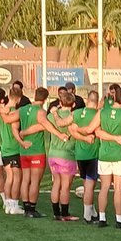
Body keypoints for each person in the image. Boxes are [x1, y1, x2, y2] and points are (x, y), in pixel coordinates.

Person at [92, 86, 121, 229]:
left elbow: (94, 130)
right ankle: (119, 220)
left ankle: (102, 218)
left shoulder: (102, 111)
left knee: (104, 187)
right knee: (118, 189)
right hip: (120, 155)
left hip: (104, 154)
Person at [18, 86, 64, 218]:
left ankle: (26, 207)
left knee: (25, 179)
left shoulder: (23, 109)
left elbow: (10, 119)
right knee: (35, 181)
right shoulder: (41, 111)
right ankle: (32, 209)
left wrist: (21, 133)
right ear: (44, 99)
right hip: (36, 150)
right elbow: (46, 124)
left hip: (24, 149)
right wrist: (59, 134)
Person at [47, 90, 82, 221]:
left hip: (53, 153)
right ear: (73, 105)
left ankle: (56, 213)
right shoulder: (74, 116)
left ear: (60, 103)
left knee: (56, 183)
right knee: (66, 186)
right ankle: (65, 213)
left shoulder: (51, 116)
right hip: (67, 154)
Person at [0, 90, 28, 214]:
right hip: (14, 148)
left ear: (8, 97)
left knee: (9, 177)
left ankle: (8, 204)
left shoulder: (1, 113)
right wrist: (22, 142)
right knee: (17, 178)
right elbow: (15, 130)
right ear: (19, 99)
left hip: (4, 149)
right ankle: (14, 205)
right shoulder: (15, 113)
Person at [73, 90, 101, 223]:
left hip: (80, 153)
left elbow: (71, 129)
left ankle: (92, 211)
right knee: (90, 185)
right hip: (92, 153)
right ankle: (87, 215)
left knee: (86, 183)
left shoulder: (77, 112)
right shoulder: (97, 115)